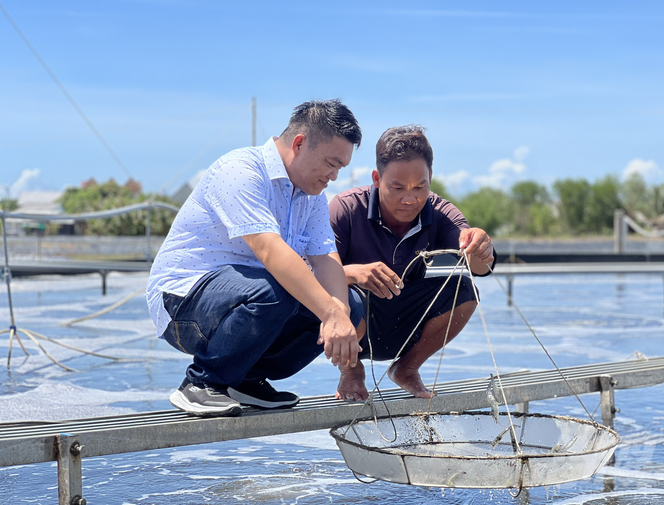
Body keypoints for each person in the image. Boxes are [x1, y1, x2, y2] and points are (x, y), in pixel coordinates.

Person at [147, 100, 364, 417]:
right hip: (182, 303)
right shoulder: (240, 170)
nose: (334, 176)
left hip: (249, 301)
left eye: (340, 169)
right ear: (300, 144)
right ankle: (201, 383)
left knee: (352, 303)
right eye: (331, 163)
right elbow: (269, 251)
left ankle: (244, 378)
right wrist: (330, 314)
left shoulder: (311, 194)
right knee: (275, 290)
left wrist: (340, 313)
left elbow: (326, 258)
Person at [329, 125, 496, 401]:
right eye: (397, 187)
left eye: (420, 187)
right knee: (341, 295)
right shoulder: (345, 208)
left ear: (430, 177)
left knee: (464, 290)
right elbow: (309, 273)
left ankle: (407, 368)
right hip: (354, 322)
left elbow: (481, 268)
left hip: (406, 323)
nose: (410, 199)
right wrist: (352, 273)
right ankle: (351, 373)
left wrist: (480, 247)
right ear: (376, 179)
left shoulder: (441, 212)